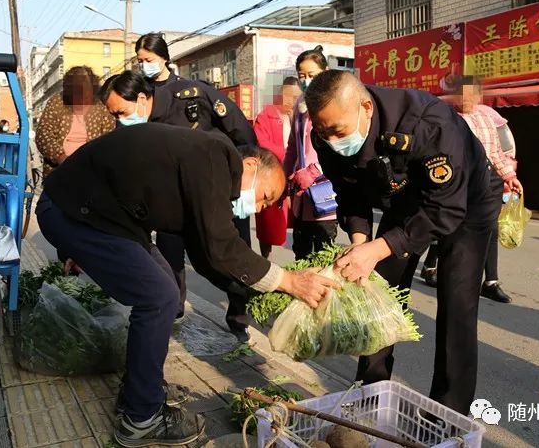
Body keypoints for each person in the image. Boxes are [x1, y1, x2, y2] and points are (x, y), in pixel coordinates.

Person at [36, 123, 337, 446]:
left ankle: (139, 390)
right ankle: (141, 419)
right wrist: (288, 280)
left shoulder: (207, 172)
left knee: (165, 285)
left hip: (103, 217)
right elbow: (222, 247)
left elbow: (208, 257)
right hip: (76, 212)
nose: (260, 208)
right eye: (265, 197)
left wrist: (264, 296)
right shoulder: (214, 156)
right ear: (250, 165)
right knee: (160, 297)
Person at [305, 70, 502, 416]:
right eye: (322, 131)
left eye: (337, 131)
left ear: (366, 107)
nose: (330, 139)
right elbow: (349, 192)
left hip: (465, 202)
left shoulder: (426, 122)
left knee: (457, 303)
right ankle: (370, 392)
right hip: (405, 200)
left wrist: (380, 248)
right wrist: (361, 242)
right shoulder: (326, 134)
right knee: (379, 289)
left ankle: (448, 412)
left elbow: (445, 209)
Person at [101, 66, 257, 341]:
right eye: (114, 115)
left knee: (230, 257)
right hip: (173, 205)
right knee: (170, 262)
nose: (119, 120)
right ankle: (171, 311)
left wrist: (243, 182)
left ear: (140, 98)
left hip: (219, 195)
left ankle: (239, 318)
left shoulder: (191, 97)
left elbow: (241, 133)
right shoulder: (133, 127)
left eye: (121, 113)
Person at [420, 76, 523, 303]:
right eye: (461, 94)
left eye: (470, 95)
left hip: (489, 182)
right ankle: (434, 267)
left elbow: (495, 151)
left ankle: (490, 282)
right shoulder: (444, 119)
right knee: (448, 227)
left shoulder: (487, 118)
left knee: (489, 229)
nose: (466, 100)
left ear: (478, 96)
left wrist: (510, 176)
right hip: (457, 183)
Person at [285, 47, 338, 260]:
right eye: (302, 76)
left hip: (326, 190)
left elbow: (340, 148)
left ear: (325, 72)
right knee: (302, 253)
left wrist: (314, 172)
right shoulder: (300, 105)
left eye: (312, 75)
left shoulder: (334, 104)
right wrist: (285, 176)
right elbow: (292, 147)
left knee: (324, 254)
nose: (306, 81)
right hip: (301, 193)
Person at [35, 66, 115, 178]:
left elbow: (109, 138)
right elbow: (43, 135)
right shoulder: (56, 102)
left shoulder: (101, 106)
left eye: (85, 97)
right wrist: (61, 157)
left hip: (92, 172)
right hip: (59, 172)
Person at [252, 77, 299, 257]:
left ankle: (300, 257)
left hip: (297, 175)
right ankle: (266, 258)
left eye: (295, 97)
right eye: (288, 96)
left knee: (300, 220)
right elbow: (262, 143)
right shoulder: (267, 114)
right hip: (273, 173)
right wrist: (288, 153)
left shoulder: (301, 116)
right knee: (268, 221)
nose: (291, 101)